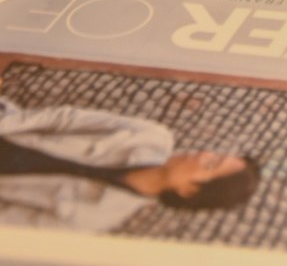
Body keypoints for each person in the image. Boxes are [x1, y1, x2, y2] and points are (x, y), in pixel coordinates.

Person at [0, 95, 259, 231]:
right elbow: (63, 119)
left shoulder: (92, 217)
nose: (203, 153)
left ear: (188, 190)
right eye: (214, 153)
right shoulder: (151, 136)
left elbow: (8, 222)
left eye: (211, 164)